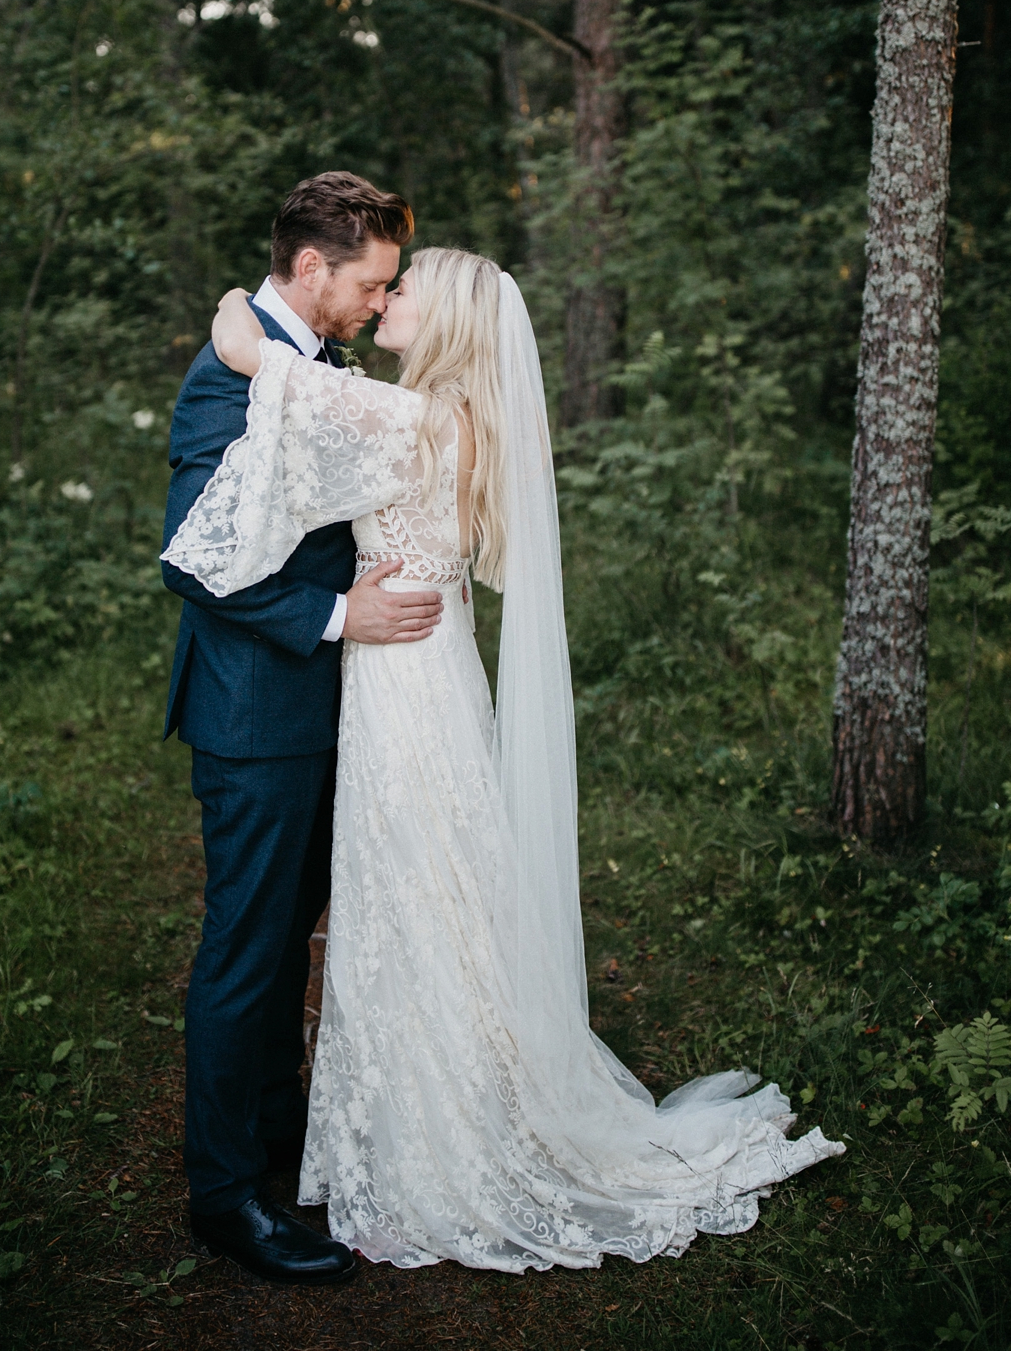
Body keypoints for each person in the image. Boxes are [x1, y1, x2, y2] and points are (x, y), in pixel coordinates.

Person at [163, 246, 845, 1273]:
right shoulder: (450, 416)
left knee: (412, 896)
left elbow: (244, 351)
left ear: (448, 326)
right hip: (423, 667)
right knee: (428, 891)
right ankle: (373, 1115)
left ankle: (429, 1135)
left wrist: (236, 300)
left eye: (405, 292)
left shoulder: (422, 419)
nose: (387, 301)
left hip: (402, 679)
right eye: (381, 285)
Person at [160, 171, 442, 1287]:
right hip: (256, 712)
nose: (379, 304)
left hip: (331, 709)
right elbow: (196, 552)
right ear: (312, 268)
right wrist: (340, 614)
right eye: (369, 284)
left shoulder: (305, 362)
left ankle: (277, 1131)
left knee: (293, 933)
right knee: (247, 946)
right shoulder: (215, 388)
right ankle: (226, 1197)